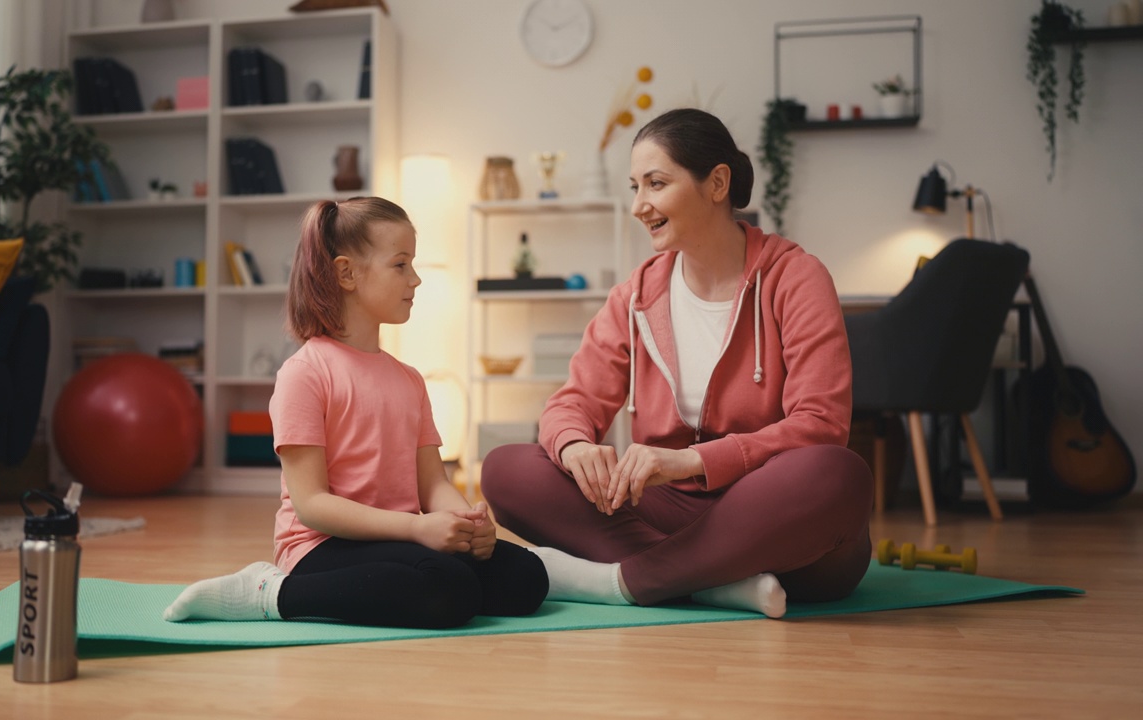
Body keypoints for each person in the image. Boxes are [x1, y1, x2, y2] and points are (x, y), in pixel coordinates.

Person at [480, 108, 873, 618]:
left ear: (717, 183)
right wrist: (575, 445)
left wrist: (693, 461)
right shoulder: (636, 295)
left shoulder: (795, 278)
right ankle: (712, 583)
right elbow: (573, 401)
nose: (640, 205)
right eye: (634, 187)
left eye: (656, 184)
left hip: (773, 516)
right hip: (665, 511)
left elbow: (821, 424)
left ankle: (629, 580)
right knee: (508, 469)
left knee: (837, 474)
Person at [164, 197, 548, 629]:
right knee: (448, 589)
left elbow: (432, 483)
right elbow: (311, 505)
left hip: (398, 538)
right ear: (347, 273)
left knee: (526, 578)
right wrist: (416, 530)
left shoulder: (409, 380)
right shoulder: (304, 373)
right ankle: (269, 591)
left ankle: (417, 581)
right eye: (400, 265)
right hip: (323, 547)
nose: (416, 279)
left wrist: (463, 522)